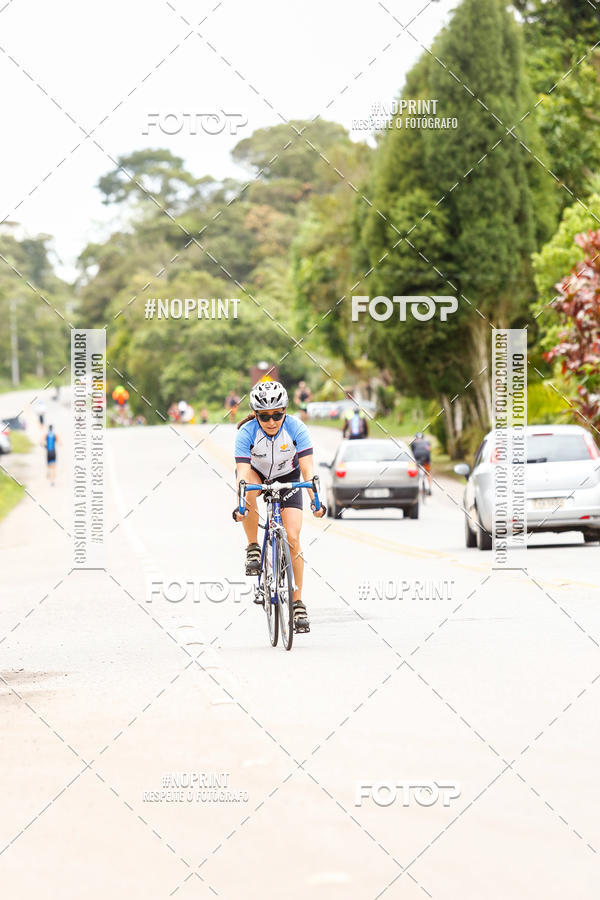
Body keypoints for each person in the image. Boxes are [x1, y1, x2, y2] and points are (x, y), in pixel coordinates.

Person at [233, 381, 326, 633]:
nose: (272, 421)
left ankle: (297, 603)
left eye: (277, 415)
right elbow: (242, 472)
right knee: (247, 490)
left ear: (285, 410)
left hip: (288, 477)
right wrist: (240, 505)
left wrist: (316, 500)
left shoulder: (296, 428)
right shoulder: (247, 432)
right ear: (256, 414)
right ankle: (253, 547)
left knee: (293, 537)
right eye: (264, 416)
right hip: (256, 474)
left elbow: (307, 469)